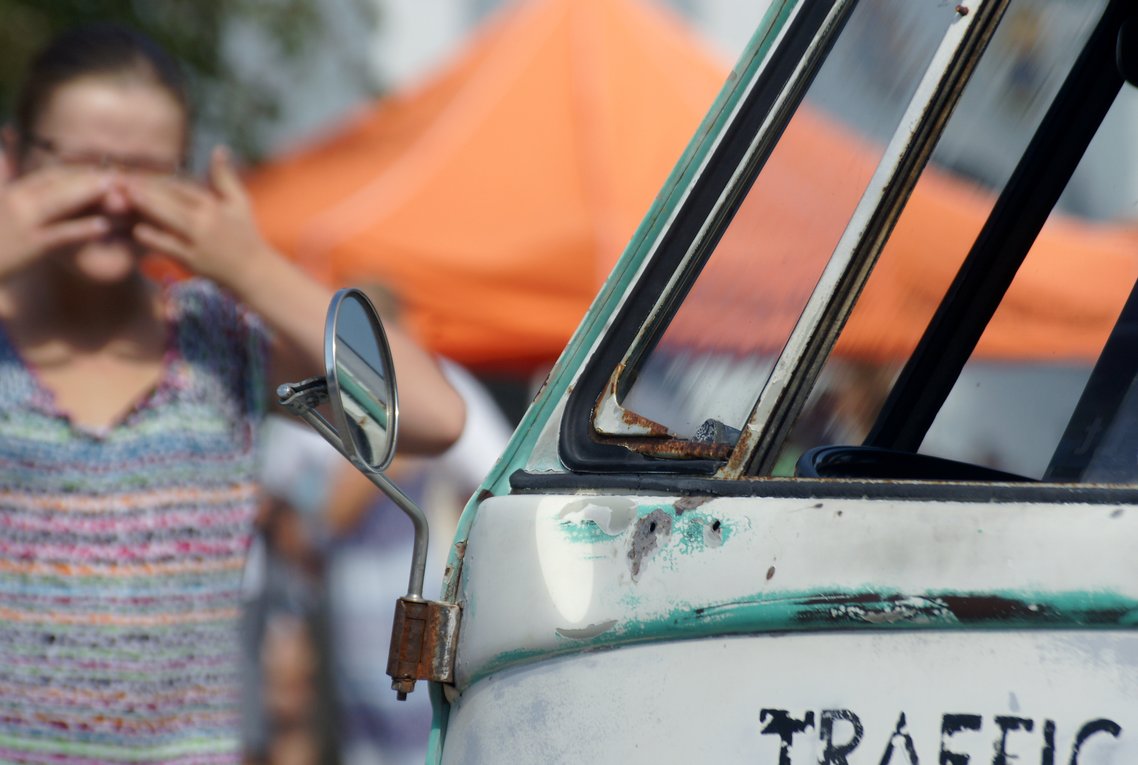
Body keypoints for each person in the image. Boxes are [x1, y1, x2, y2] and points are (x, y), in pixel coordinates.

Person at [0, 23, 465, 765]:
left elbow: (435, 416)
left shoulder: (218, 339)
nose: (114, 196)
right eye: (83, 165)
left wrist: (249, 266)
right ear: (15, 159)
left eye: (148, 172)